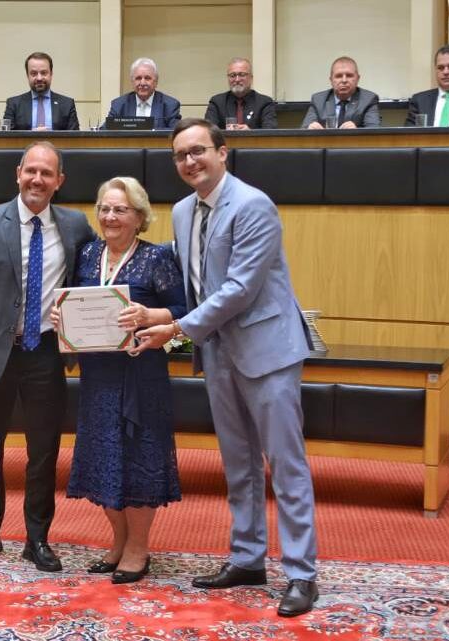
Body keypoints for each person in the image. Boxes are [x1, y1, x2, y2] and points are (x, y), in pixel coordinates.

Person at [135, 118, 318, 618]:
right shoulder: (179, 211)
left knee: (285, 464)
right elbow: (189, 280)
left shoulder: (254, 205)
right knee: (238, 465)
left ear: (222, 152)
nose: (190, 162)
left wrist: (173, 328)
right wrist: (156, 310)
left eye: (199, 151)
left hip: (267, 352)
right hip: (217, 352)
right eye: (180, 156)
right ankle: (247, 557)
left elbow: (239, 289)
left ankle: (302, 574)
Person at [0, 141, 95, 572]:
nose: (37, 179)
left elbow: (88, 285)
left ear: (59, 182)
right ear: (18, 173)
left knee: (44, 452)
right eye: (31, 171)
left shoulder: (76, 226)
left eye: (47, 173)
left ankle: (38, 538)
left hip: (47, 354)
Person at [52, 177, 185, 584]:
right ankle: (119, 540)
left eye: (121, 209)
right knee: (104, 458)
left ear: (140, 217)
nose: (111, 217)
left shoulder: (157, 258)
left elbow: (183, 309)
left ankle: (138, 547)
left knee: (139, 459)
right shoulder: (87, 254)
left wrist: (150, 315)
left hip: (141, 376)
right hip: (99, 377)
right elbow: (74, 301)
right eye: (105, 209)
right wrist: (62, 318)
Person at [3, 52, 79, 130]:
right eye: (34, 73)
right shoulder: (13, 104)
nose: (39, 78)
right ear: (27, 75)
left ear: (51, 74)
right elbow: (5, 138)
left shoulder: (67, 104)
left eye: (44, 73)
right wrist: (32, 134)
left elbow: (75, 139)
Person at [302, 56, 380, 129]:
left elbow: (374, 131)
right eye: (338, 76)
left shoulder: (368, 99)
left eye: (349, 75)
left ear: (357, 79)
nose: (344, 80)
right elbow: (304, 130)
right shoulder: (318, 100)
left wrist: (357, 131)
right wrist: (310, 129)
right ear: (331, 80)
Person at [104, 58, 181, 129]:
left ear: (156, 82)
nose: (142, 83)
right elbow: (105, 130)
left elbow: (176, 133)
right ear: (132, 82)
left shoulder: (170, 105)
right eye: (138, 78)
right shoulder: (119, 105)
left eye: (147, 78)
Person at [204, 58, 277, 130]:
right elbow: (209, 131)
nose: (237, 79)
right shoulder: (217, 102)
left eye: (242, 75)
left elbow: (270, 132)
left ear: (251, 78)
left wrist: (250, 134)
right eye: (232, 75)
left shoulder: (264, 102)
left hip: (253, 142)